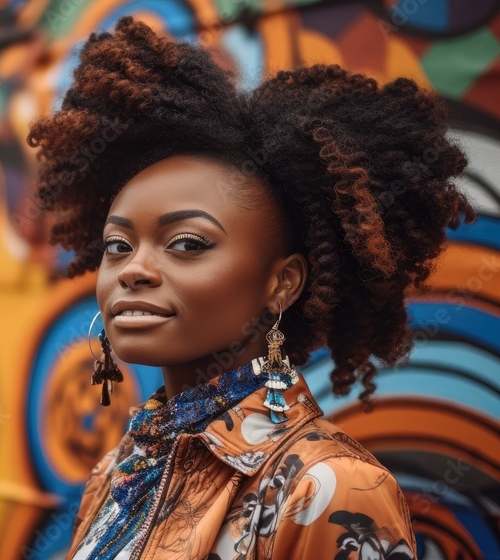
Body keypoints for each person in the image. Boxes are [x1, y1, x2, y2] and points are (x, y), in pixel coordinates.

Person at [25, 16, 476, 560]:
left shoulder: (327, 489)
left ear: (281, 284)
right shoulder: (122, 466)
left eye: (188, 243)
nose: (132, 269)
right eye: (118, 245)